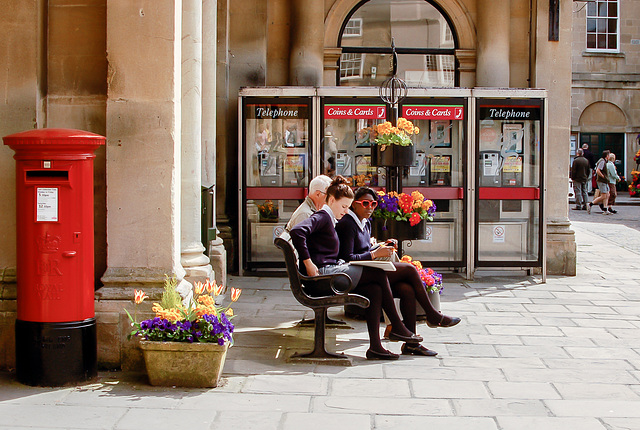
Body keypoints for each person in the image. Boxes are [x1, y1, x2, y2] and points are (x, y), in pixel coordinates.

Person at [290, 176, 422, 360]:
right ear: (331, 200)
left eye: (347, 207)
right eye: (343, 206)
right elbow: (297, 232)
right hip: (322, 278)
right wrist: (308, 263)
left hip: (329, 273)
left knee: (375, 289)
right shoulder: (322, 216)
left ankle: (376, 347)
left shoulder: (329, 218)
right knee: (377, 273)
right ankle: (398, 327)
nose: (346, 211)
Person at [335, 187, 461, 357]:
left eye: (373, 203)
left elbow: (363, 249)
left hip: (370, 271)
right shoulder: (347, 224)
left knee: (406, 289)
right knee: (409, 269)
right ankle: (432, 315)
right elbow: (346, 257)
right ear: (354, 205)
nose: (370, 207)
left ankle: (411, 345)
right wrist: (374, 254)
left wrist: (379, 246)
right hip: (359, 276)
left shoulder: (365, 222)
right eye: (365, 203)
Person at [587, 150, 611, 214]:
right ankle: (590, 204)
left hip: (604, 181)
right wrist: (603, 176)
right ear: (607, 156)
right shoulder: (602, 161)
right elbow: (598, 170)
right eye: (609, 155)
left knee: (607, 194)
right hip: (602, 181)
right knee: (603, 196)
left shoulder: (604, 161)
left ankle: (605, 209)